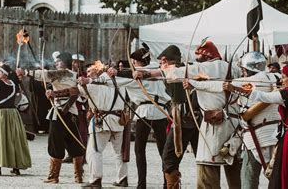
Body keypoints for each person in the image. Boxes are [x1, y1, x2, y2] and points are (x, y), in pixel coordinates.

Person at [143, 40, 242, 189]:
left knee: (206, 169)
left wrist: (146, 73)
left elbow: (176, 72)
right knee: (231, 165)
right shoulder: (233, 68)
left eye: (199, 56)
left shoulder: (209, 67)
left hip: (214, 127)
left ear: (207, 56)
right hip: (232, 125)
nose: (197, 60)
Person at [17, 52, 85, 184]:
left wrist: (24, 72)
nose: (56, 63)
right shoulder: (72, 74)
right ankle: (78, 176)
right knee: (74, 144)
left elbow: (44, 75)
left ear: (64, 62)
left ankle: (54, 177)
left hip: (60, 114)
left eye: (58, 62)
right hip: (71, 114)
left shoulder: (61, 73)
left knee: (56, 144)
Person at [110, 46, 171, 189]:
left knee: (139, 150)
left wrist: (113, 73)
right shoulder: (159, 70)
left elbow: (116, 80)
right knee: (163, 150)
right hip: (160, 111)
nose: (132, 64)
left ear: (136, 62)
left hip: (144, 112)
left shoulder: (138, 74)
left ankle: (141, 185)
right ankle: (167, 183)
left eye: (133, 61)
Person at [221, 52, 280, 189]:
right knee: (278, 178)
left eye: (243, 69)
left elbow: (225, 86)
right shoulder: (277, 77)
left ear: (246, 68)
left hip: (255, 137)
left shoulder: (241, 82)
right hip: (277, 136)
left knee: (248, 180)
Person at [154, 45, 200, 188]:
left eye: (162, 62)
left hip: (185, 119)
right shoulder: (185, 69)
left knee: (168, 159)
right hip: (194, 119)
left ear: (166, 61)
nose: (160, 65)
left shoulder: (177, 72)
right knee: (202, 158)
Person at [77, 62, 128, 187]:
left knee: (94, 151)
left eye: (90, 71)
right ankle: (122, 178)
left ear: (97, 72)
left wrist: (82, 83)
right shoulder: (120, 82)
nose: (87, 74)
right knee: (119, 152)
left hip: (102, 121)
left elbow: (82, 92)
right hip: (118, 121)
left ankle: (95, 180)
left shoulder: (92, 84)